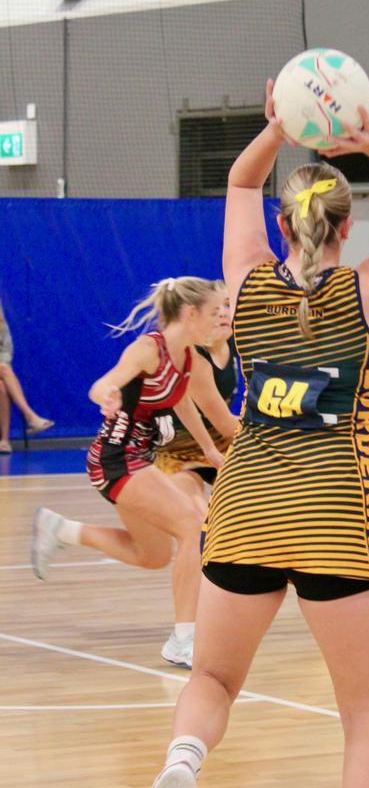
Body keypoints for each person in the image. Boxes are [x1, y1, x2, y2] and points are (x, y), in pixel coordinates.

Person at [146, 81, 369, 788]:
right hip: (335, 519)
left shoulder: (247, 283)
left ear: (283, 227)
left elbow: (239, 179)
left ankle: (186, 759)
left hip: (247, 507)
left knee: (214, 678)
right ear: (346, 229)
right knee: (365, 712)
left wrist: (278, 127)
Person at [31, 277, 236, 668]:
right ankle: (183, 638)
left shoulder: (192, 360)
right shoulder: (148, 350)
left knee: (153, 555)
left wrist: (210, 449)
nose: (221, 319)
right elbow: (104, 383)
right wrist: (106, 395)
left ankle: (61, 530)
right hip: (115, 459)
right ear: (190, 313)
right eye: (214, 312)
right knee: (195, 528)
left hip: (140, 459)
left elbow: (206, 412)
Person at [155, 280, 239, 512]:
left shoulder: (236, 339)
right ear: (195, 316)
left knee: (263, 484)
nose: (223, 314)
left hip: (214, 438)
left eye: (228, 305)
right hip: (174, 444)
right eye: (215, 310)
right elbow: (226, 425)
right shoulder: (191, 358)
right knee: (194, 509)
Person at [0, 297, 55, 452]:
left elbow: (6, 353)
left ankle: (4, 441)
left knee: (2, 387)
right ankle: (30, 416)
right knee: (4, 370)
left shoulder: (2, 326)